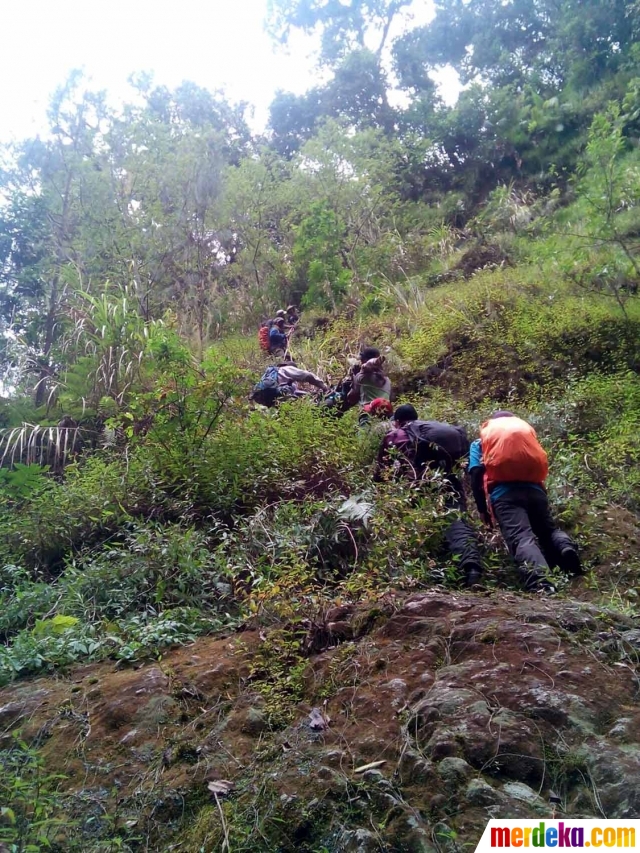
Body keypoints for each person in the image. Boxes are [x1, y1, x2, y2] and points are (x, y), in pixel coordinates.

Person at [468, 411, 582, 594]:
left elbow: (475, 474)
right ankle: (565, 548)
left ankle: (541, 583)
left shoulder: (481, 443)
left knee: (521, 537)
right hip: (536, 492)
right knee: (548, 530)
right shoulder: (526, 435)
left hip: (505, 494)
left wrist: (482, 508)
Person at [374, 403, 484, 587]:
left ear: (398, 421)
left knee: (415, 523)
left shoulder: (396, 434)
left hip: (417, 483)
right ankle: (471, 568)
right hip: (448, 479)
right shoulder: (438, 430)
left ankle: (427, 572)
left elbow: (382, 470)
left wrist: (379, 488)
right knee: (456, 520)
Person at [250, 361, 328, 408]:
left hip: (261, 397)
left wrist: (309, 394)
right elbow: (308, 376)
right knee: (292, 389)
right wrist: (324, 387)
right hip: (276, 395)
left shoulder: (269, 373)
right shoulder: (287, 369)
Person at [345, 347, 391, 411]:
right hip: (386, 412)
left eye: (361, 359)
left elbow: (351, 399)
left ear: (365, 361)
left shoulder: (362, 378)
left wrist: (355, 376)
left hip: (369, 413)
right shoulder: (387, 379)